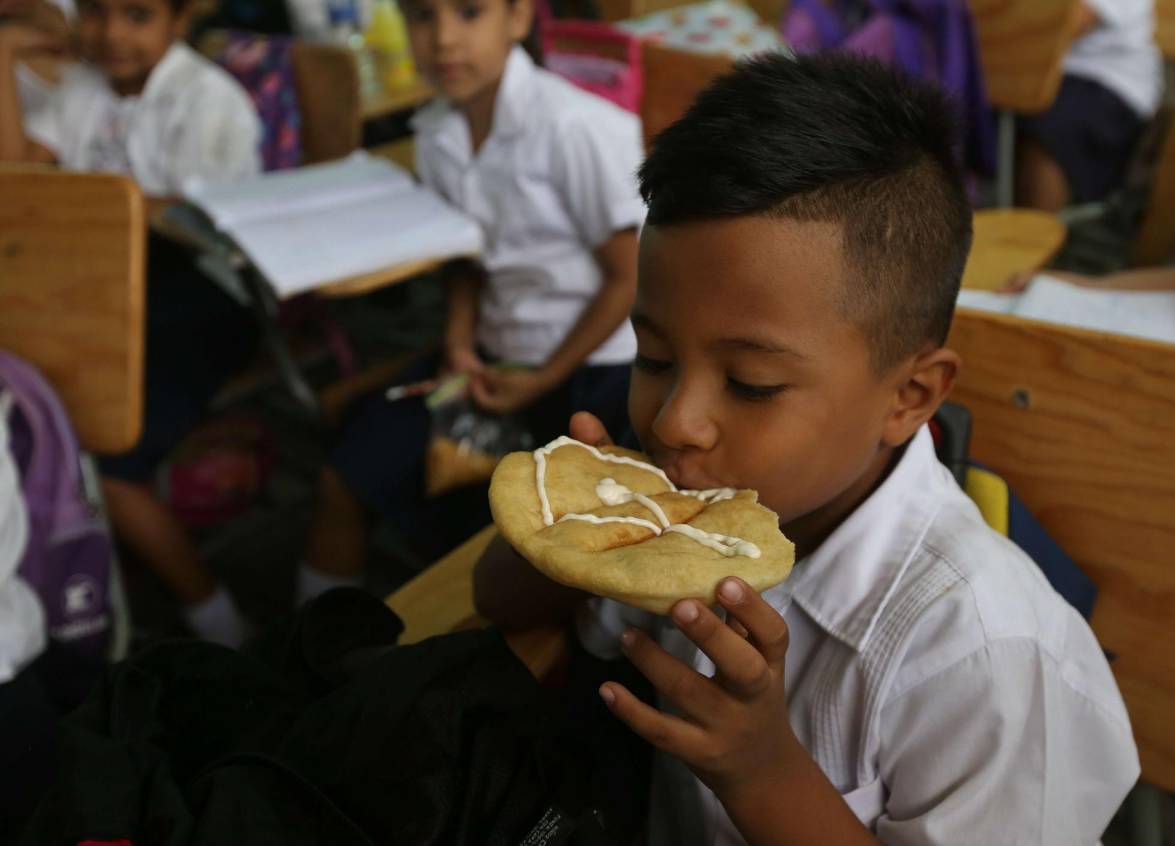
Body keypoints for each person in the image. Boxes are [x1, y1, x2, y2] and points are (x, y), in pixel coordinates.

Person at [475, 53, 1139, 845]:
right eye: (653, 359)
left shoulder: (983, 655)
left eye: (751, 383)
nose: (676, 422)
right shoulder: (671, 506)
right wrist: (562, 527)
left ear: (910, 397)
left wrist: (761, 772)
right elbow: (498, 601)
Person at [298, 0, 642, 599]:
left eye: (469, 13)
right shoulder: (437, 132)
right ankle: (316, 658)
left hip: (591, 370)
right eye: (422, 17)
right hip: (489, 361)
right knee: (342, 479)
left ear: (518, 18)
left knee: (531, 548)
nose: (443, 39)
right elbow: (467, 260)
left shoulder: (576, 127)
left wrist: (544, 377)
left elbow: (630, 278)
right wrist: (458, 341)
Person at [0, 0, 263, 646]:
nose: (112, 33)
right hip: (98, 287)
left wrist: (100, 201)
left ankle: (222, 622)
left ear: (180, 21)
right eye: (94, 11)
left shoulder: (210, 99)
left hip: (199, 294)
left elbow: (205, 229)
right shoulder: (83, 90)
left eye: (138, 14)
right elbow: (17, 174)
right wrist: (3, 56)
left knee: (102, 448)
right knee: (30, 399)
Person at [1017, 0, 1162, 211]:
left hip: (1107, 82)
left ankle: (1030, 237)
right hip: (1029, 72)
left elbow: (1066, 25)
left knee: (1051, 126)